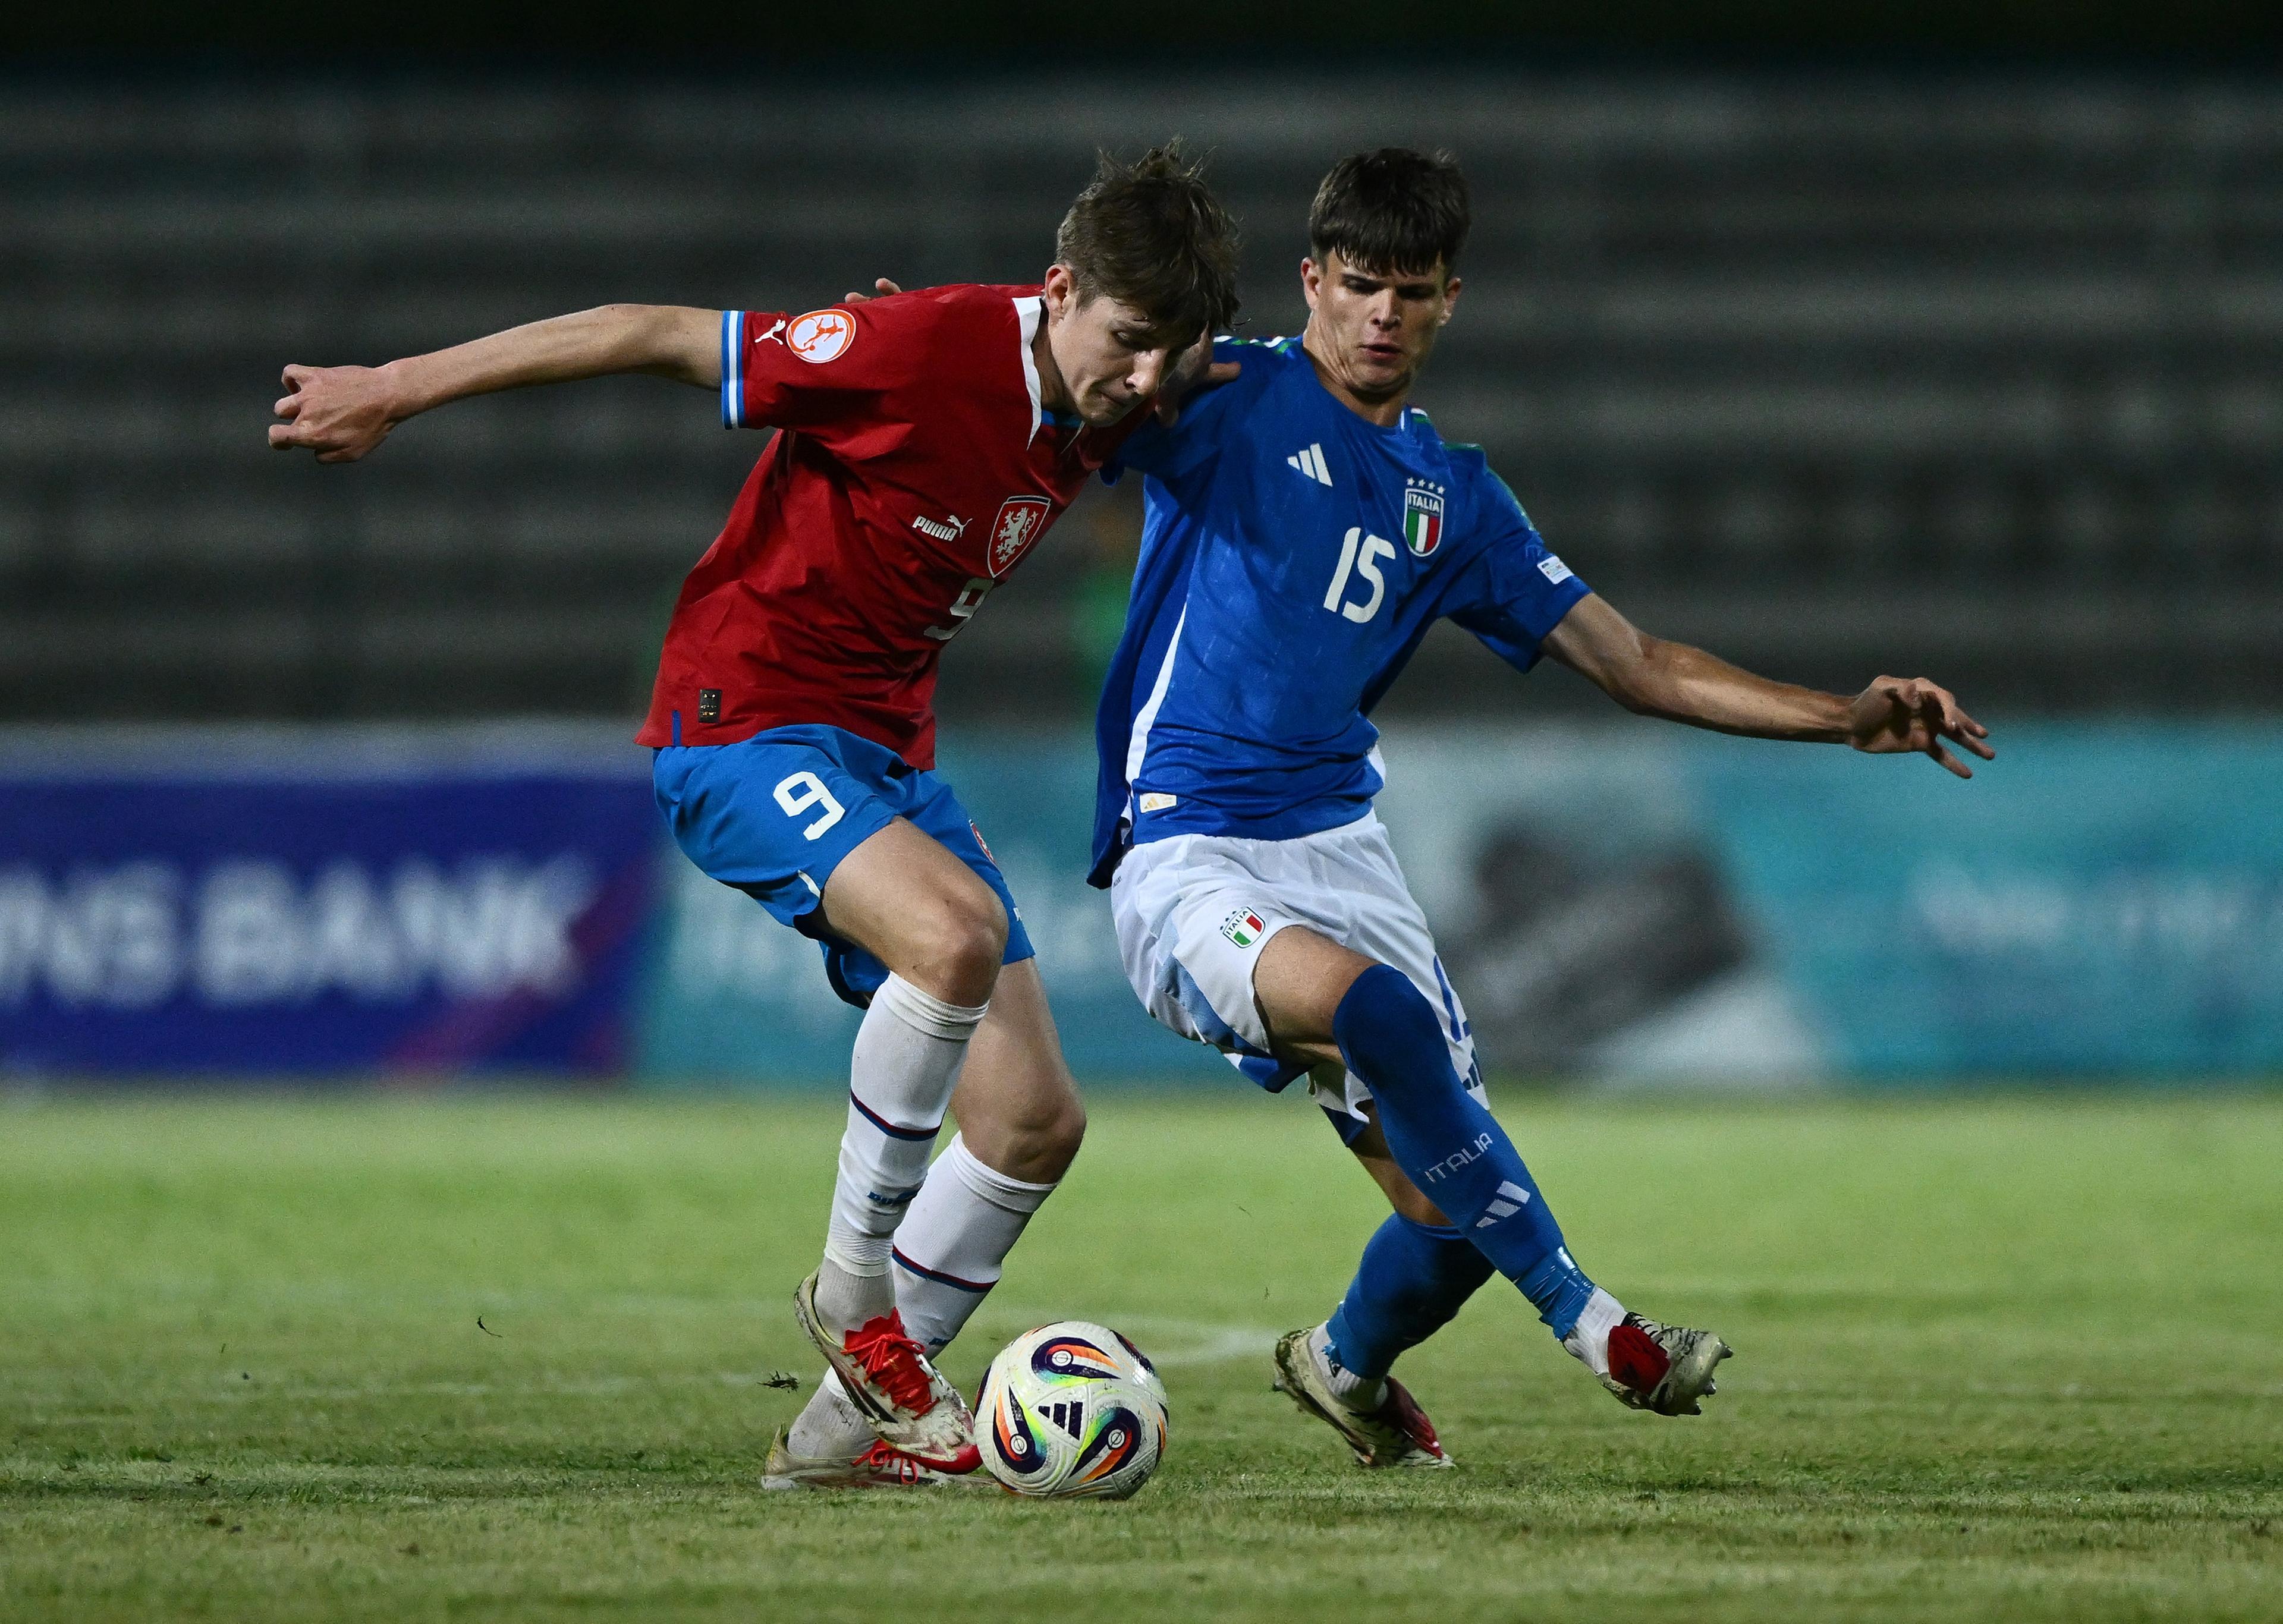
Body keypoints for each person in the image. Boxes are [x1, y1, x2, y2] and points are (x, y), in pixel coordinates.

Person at [269, 146, 1241, 1488]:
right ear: (1060, 288)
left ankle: (836, 1448)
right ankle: (856, 1306)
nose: (1142, 382)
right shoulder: (919, 345)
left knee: (1032, 1118)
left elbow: (1236, 382)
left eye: (1167, 357)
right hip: (743, 723)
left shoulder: (1122, 388)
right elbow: (650, 332)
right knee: (951, 940)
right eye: (1127, 344)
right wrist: (395, 386)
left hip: (886, 756)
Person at [1090, 148, 1993, 1467]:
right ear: (1312, 281)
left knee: (1454, 1213)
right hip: (1188, 848)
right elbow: (1066, 389)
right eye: (1358, 286)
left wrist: (1840, 717)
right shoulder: (1232, 387)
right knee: (1381, 1017)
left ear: (1453, 298)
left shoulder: (1452, 499)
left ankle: (1342, 1362)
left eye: (1412, 291)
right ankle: (1597, 1324)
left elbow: (1637, 663)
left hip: (1340, 853)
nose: (1382, 315)